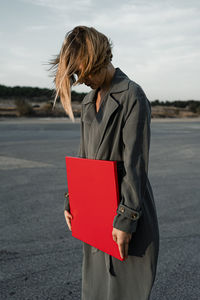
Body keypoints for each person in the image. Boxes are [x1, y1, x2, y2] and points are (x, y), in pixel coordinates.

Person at [49, 25, 159, 300]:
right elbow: (83, 159)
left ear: (99, 58)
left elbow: (135, 165)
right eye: (75, 74)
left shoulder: (132, 95)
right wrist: (71, 199)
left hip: (126, 212)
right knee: (96, 290)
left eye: (82, 71)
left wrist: (126, 220)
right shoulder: (88, 102)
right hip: (94, 214)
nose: (81, 80)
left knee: (126, 292)